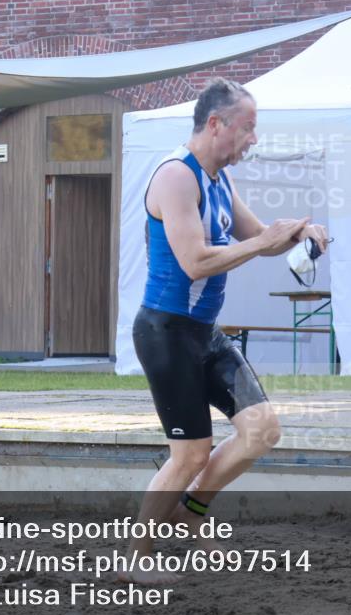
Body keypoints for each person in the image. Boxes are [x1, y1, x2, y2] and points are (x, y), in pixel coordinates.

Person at [122, 78, 329, 584]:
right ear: (216, 124)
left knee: (262, 431)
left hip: (204, 334)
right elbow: (195, 262)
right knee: (190, 453)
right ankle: (133, 560)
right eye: (248, 128)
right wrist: (266, 244)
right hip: (166, 333)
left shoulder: (220, 180)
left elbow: (260, 239)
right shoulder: (176, 177)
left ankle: (189, 517)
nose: (253, 139)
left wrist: (299, 234)